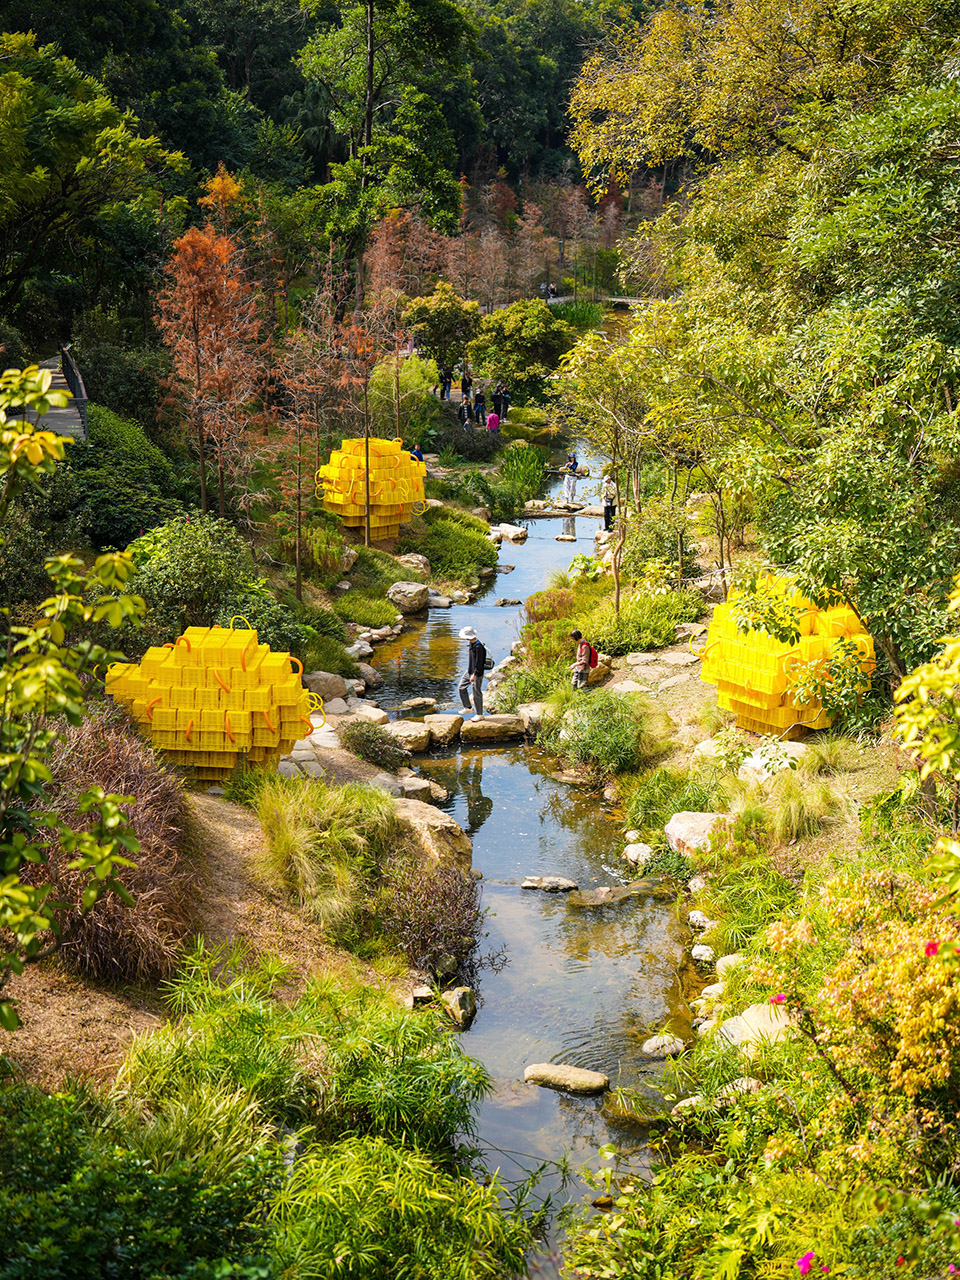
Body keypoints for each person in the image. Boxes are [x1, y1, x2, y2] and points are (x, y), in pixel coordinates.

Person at [458, 625, 487, 717]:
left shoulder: (479, 647)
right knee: (461, 687)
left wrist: (474, 674)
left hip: (476, 673)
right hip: (469, 671)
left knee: (476, 693)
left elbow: (479, 663)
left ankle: (480, 714)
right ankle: (468, 707)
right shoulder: (471, 643)